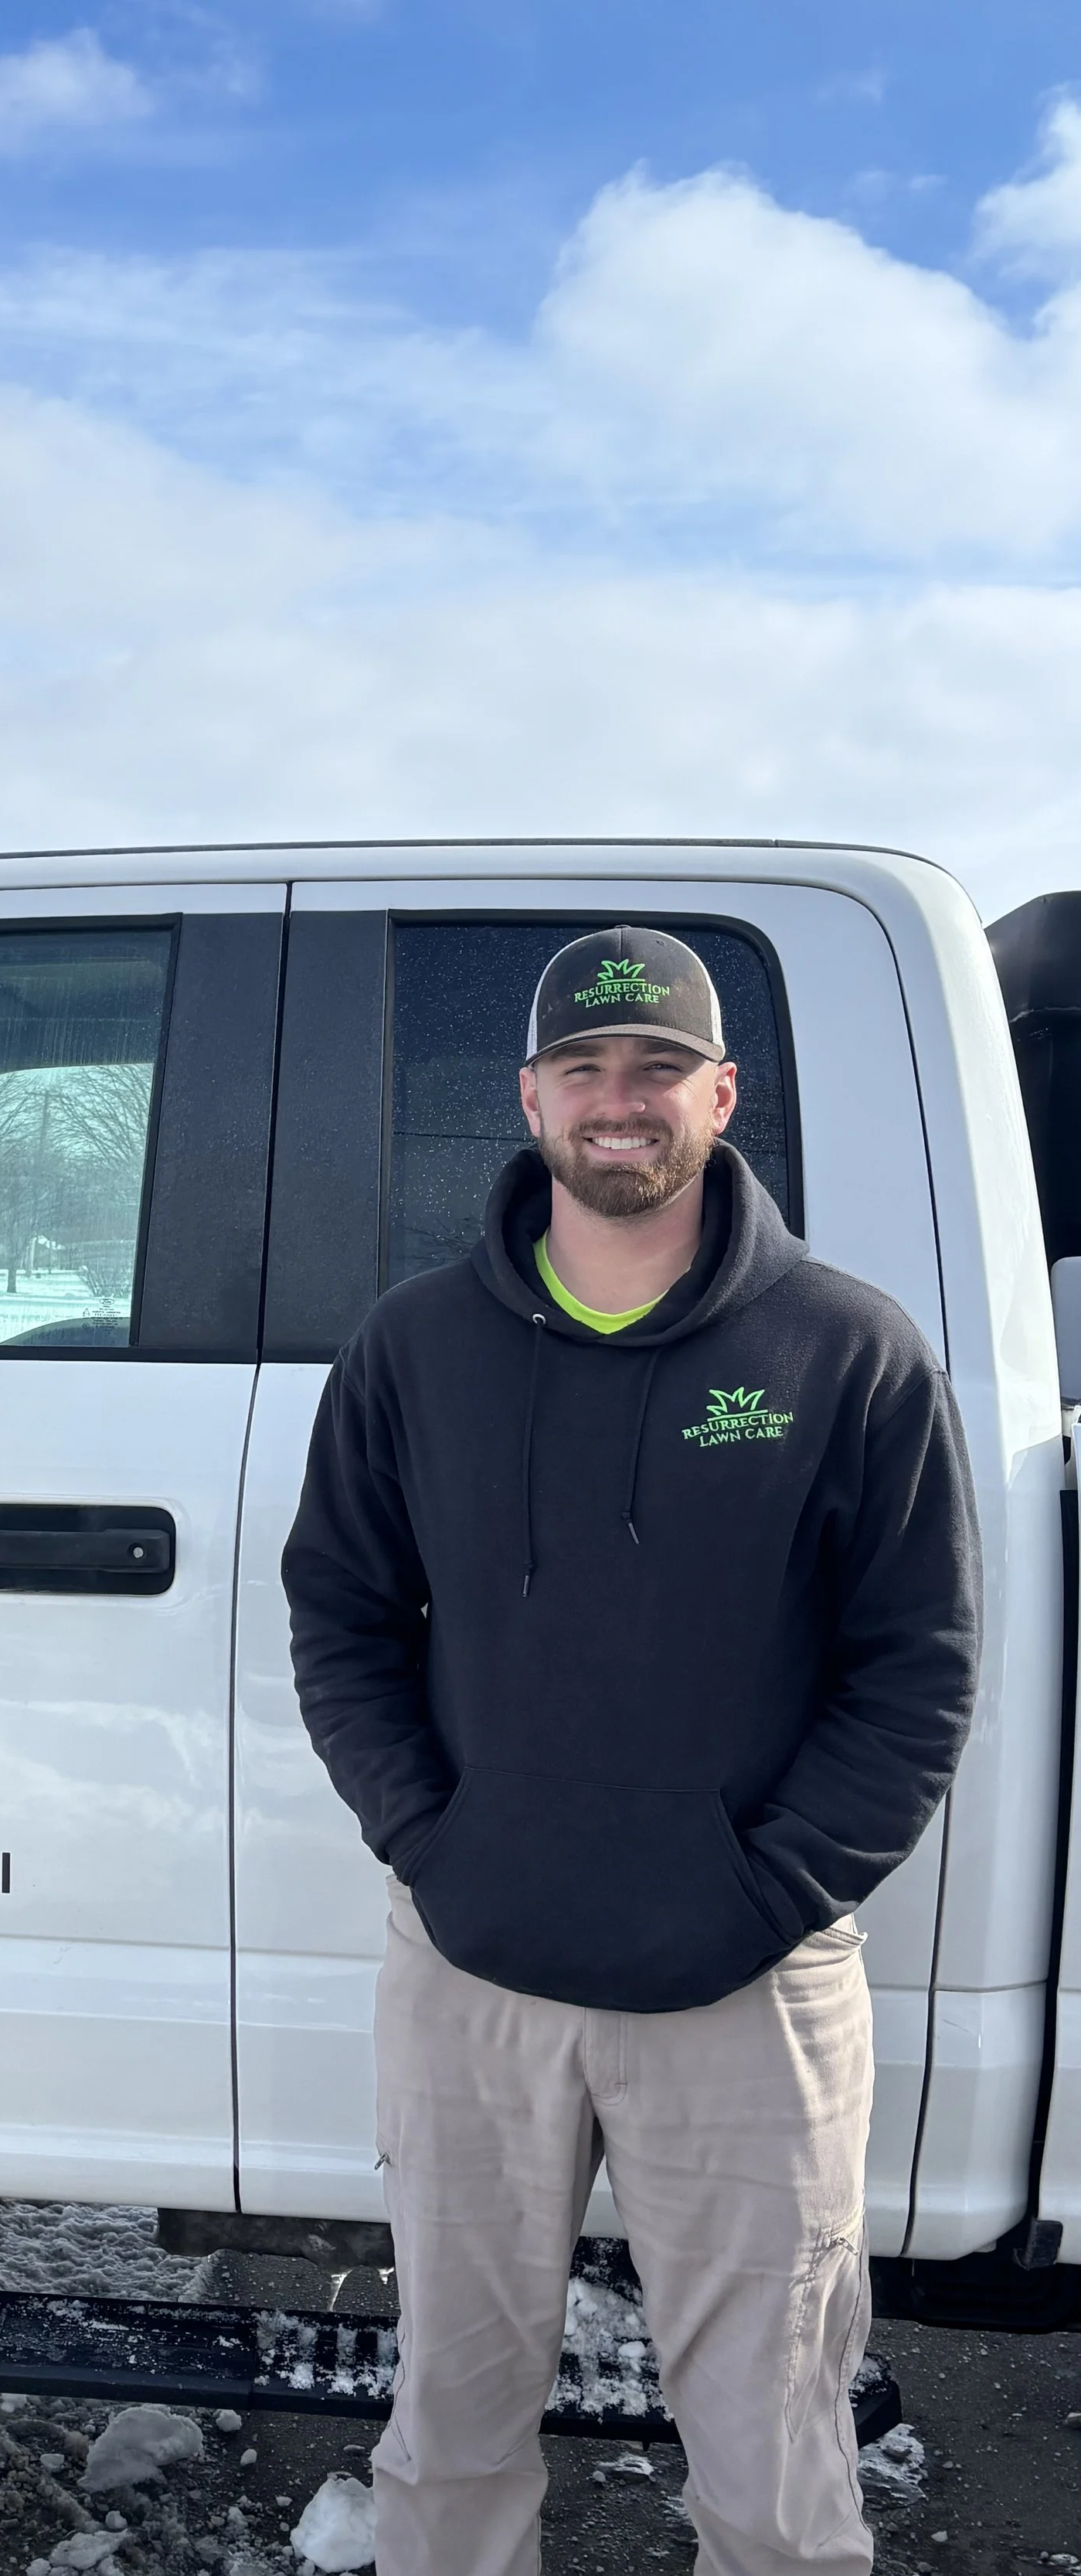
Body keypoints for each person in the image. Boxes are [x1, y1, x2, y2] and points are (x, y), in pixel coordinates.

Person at [282, 925, 981, 2576]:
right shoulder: (412, 1346)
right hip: (472, 1969)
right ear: (525, 1098)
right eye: (583, 1070)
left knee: (770, 2451)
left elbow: (915, 1666)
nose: (617, 1103)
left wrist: (767, 1888)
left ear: (717, 1095)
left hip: (750, 1984)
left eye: (655, 1070)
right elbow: (340, 1613)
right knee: (447, 2430)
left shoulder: (846, 1349)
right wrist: (431, 1843)